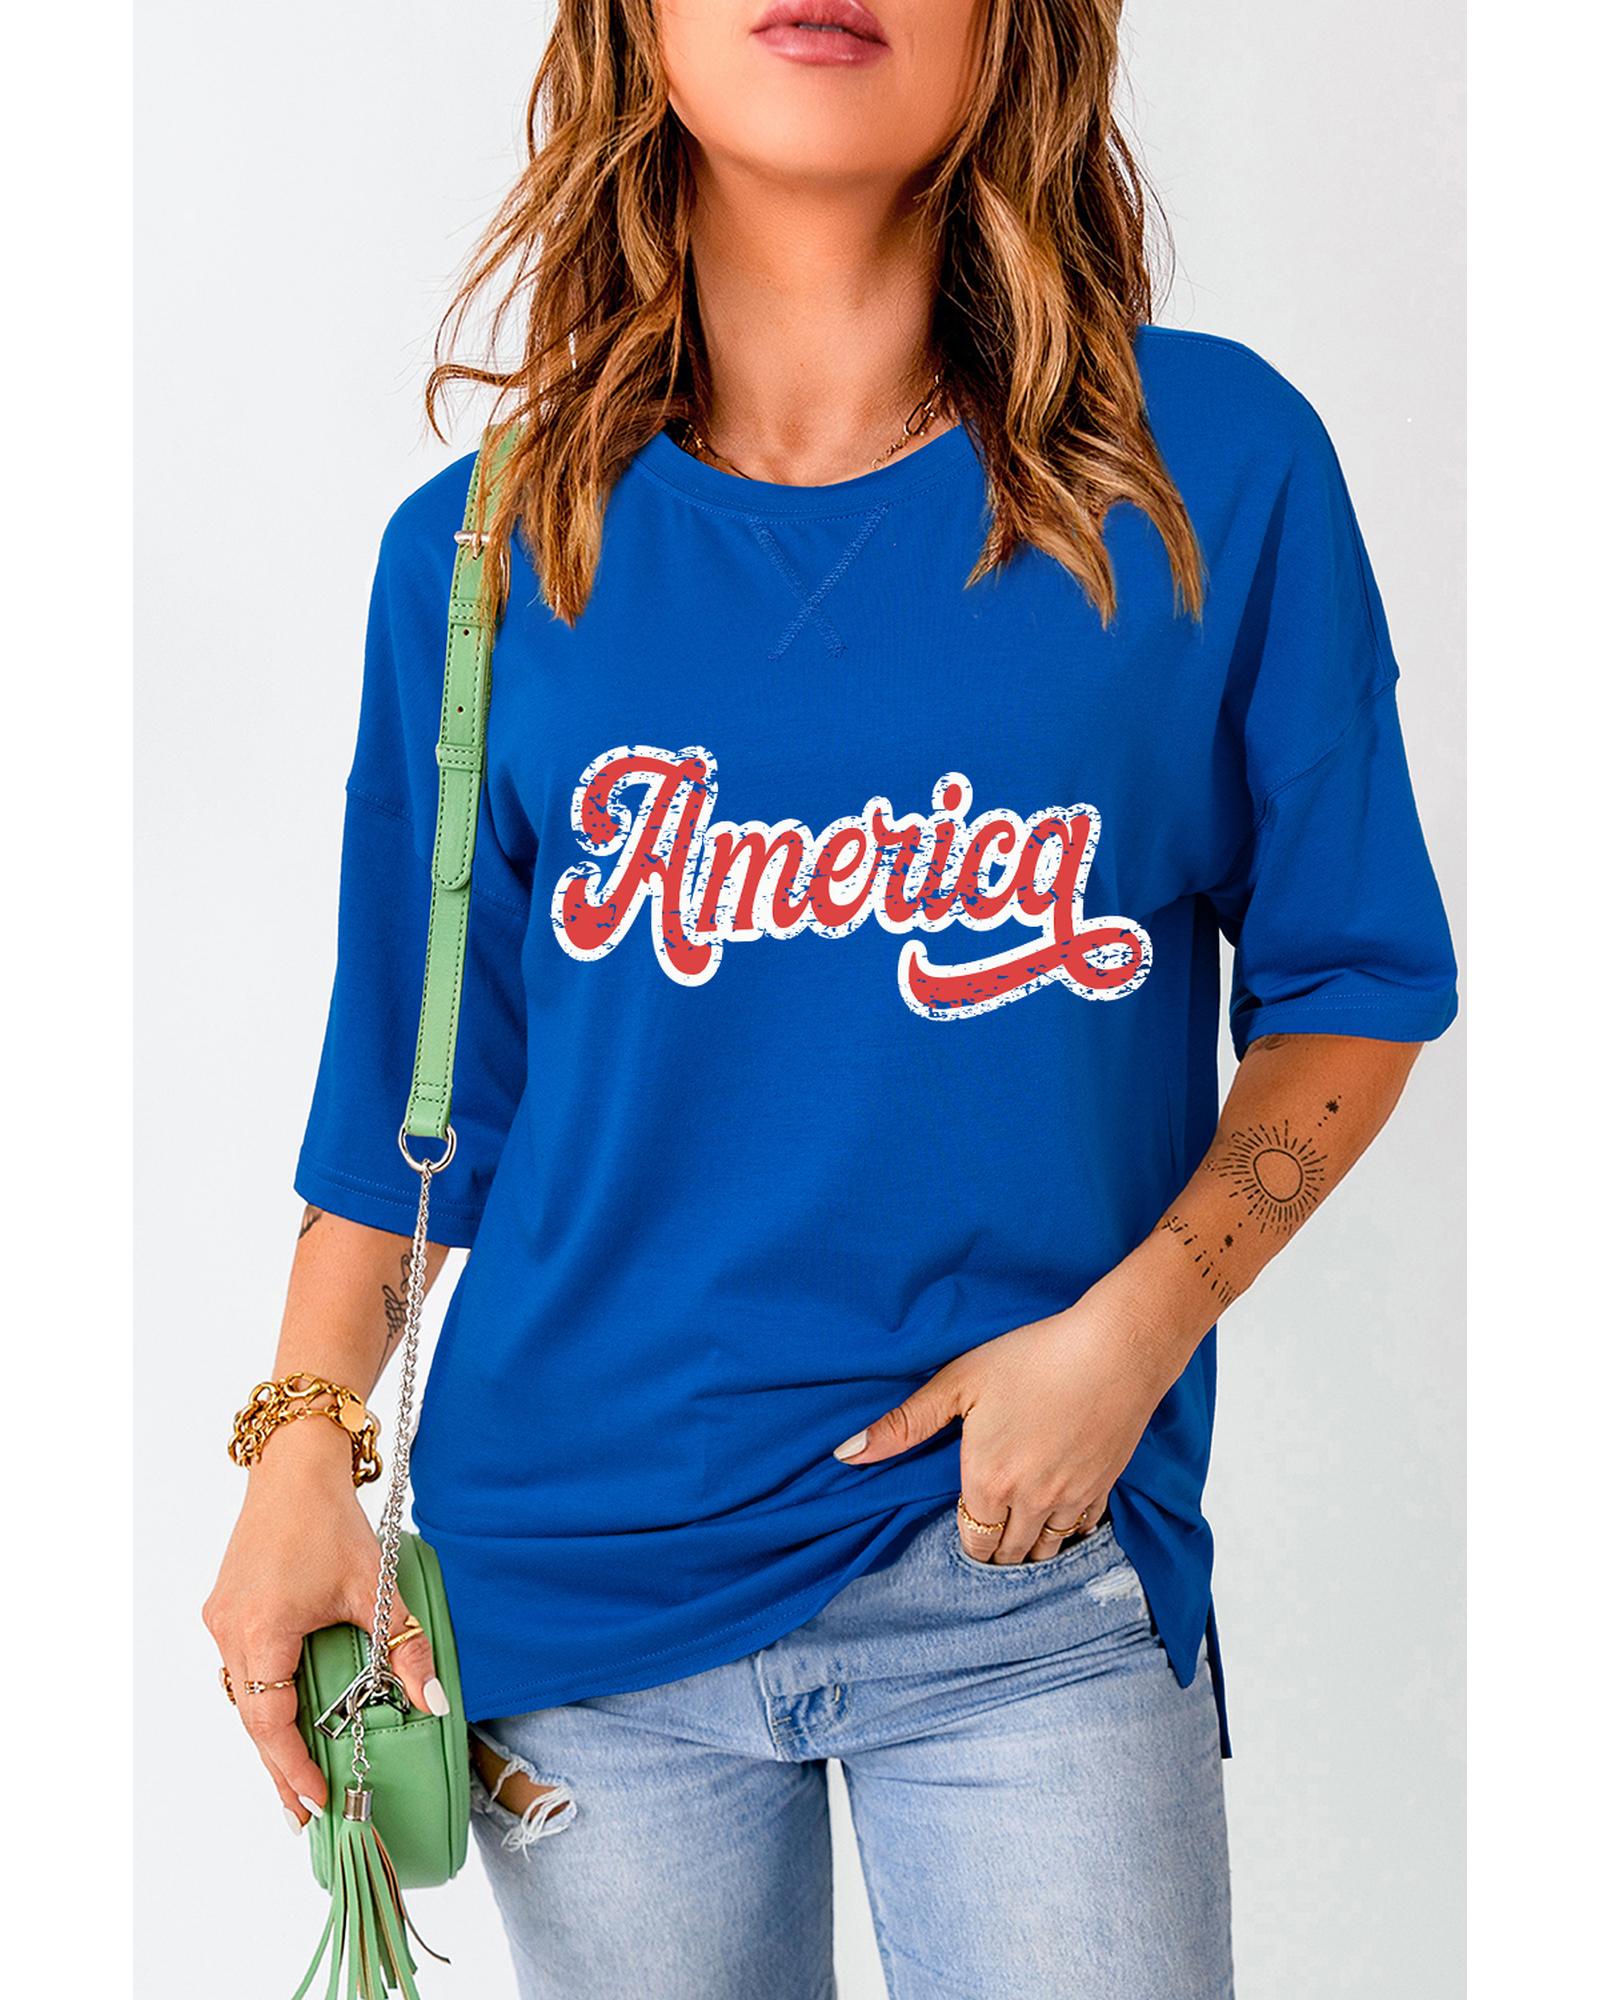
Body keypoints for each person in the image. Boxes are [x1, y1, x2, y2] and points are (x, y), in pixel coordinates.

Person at [203, 1, 1458, 1993]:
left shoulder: (1207, 468)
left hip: (1023, 1563)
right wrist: (299, 1453)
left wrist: (1130, 1335)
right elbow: (408, 1113)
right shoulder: (481, 553)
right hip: (579, 1601)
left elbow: (1354, 982)